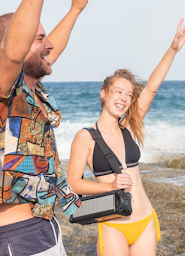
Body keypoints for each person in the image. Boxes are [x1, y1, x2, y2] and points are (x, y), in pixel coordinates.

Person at [66, 18, 185, 256]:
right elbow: (73, 182)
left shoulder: (130, 127)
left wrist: (173, 48)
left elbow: (152, 87)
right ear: (104, 94)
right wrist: (110, 186)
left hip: (144, 219)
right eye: (118, 92)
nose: (124, 99)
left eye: (128, 95)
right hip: (113, 224)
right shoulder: (85, 137)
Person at [0, 0, 87, 255]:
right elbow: (14, 53)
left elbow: (46, 52)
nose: (49, 45)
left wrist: (76, 9)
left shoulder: (30, 88)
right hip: (19, 236)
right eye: (39, 38)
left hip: (43, 226)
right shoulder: (5, 93)